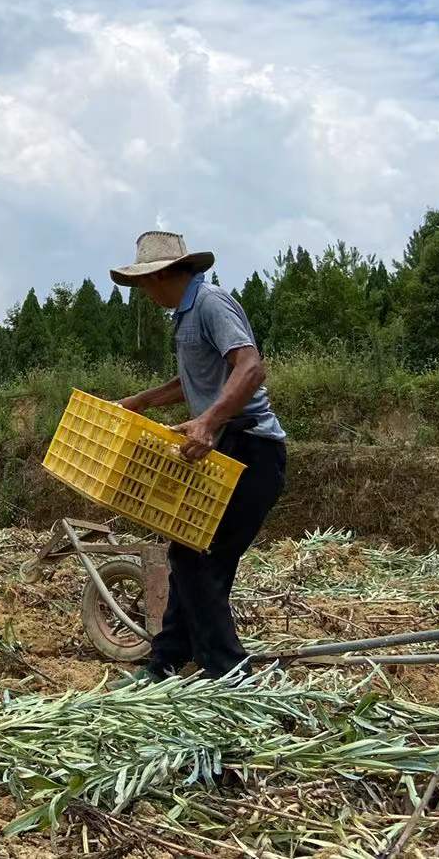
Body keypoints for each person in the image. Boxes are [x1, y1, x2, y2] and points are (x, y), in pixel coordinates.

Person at [109, 230, 287, 681]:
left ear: (167, 273)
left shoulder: (210, 303)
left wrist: (208, 421)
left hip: (251, 448)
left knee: (195, 556)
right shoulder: (184, 316)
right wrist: (141, 401)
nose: (144, 292)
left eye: (146, 281)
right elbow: (188, 381)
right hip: (225, 449)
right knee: (196, 554)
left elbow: (250, 366)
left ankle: (227, 670)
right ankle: (168, 658)